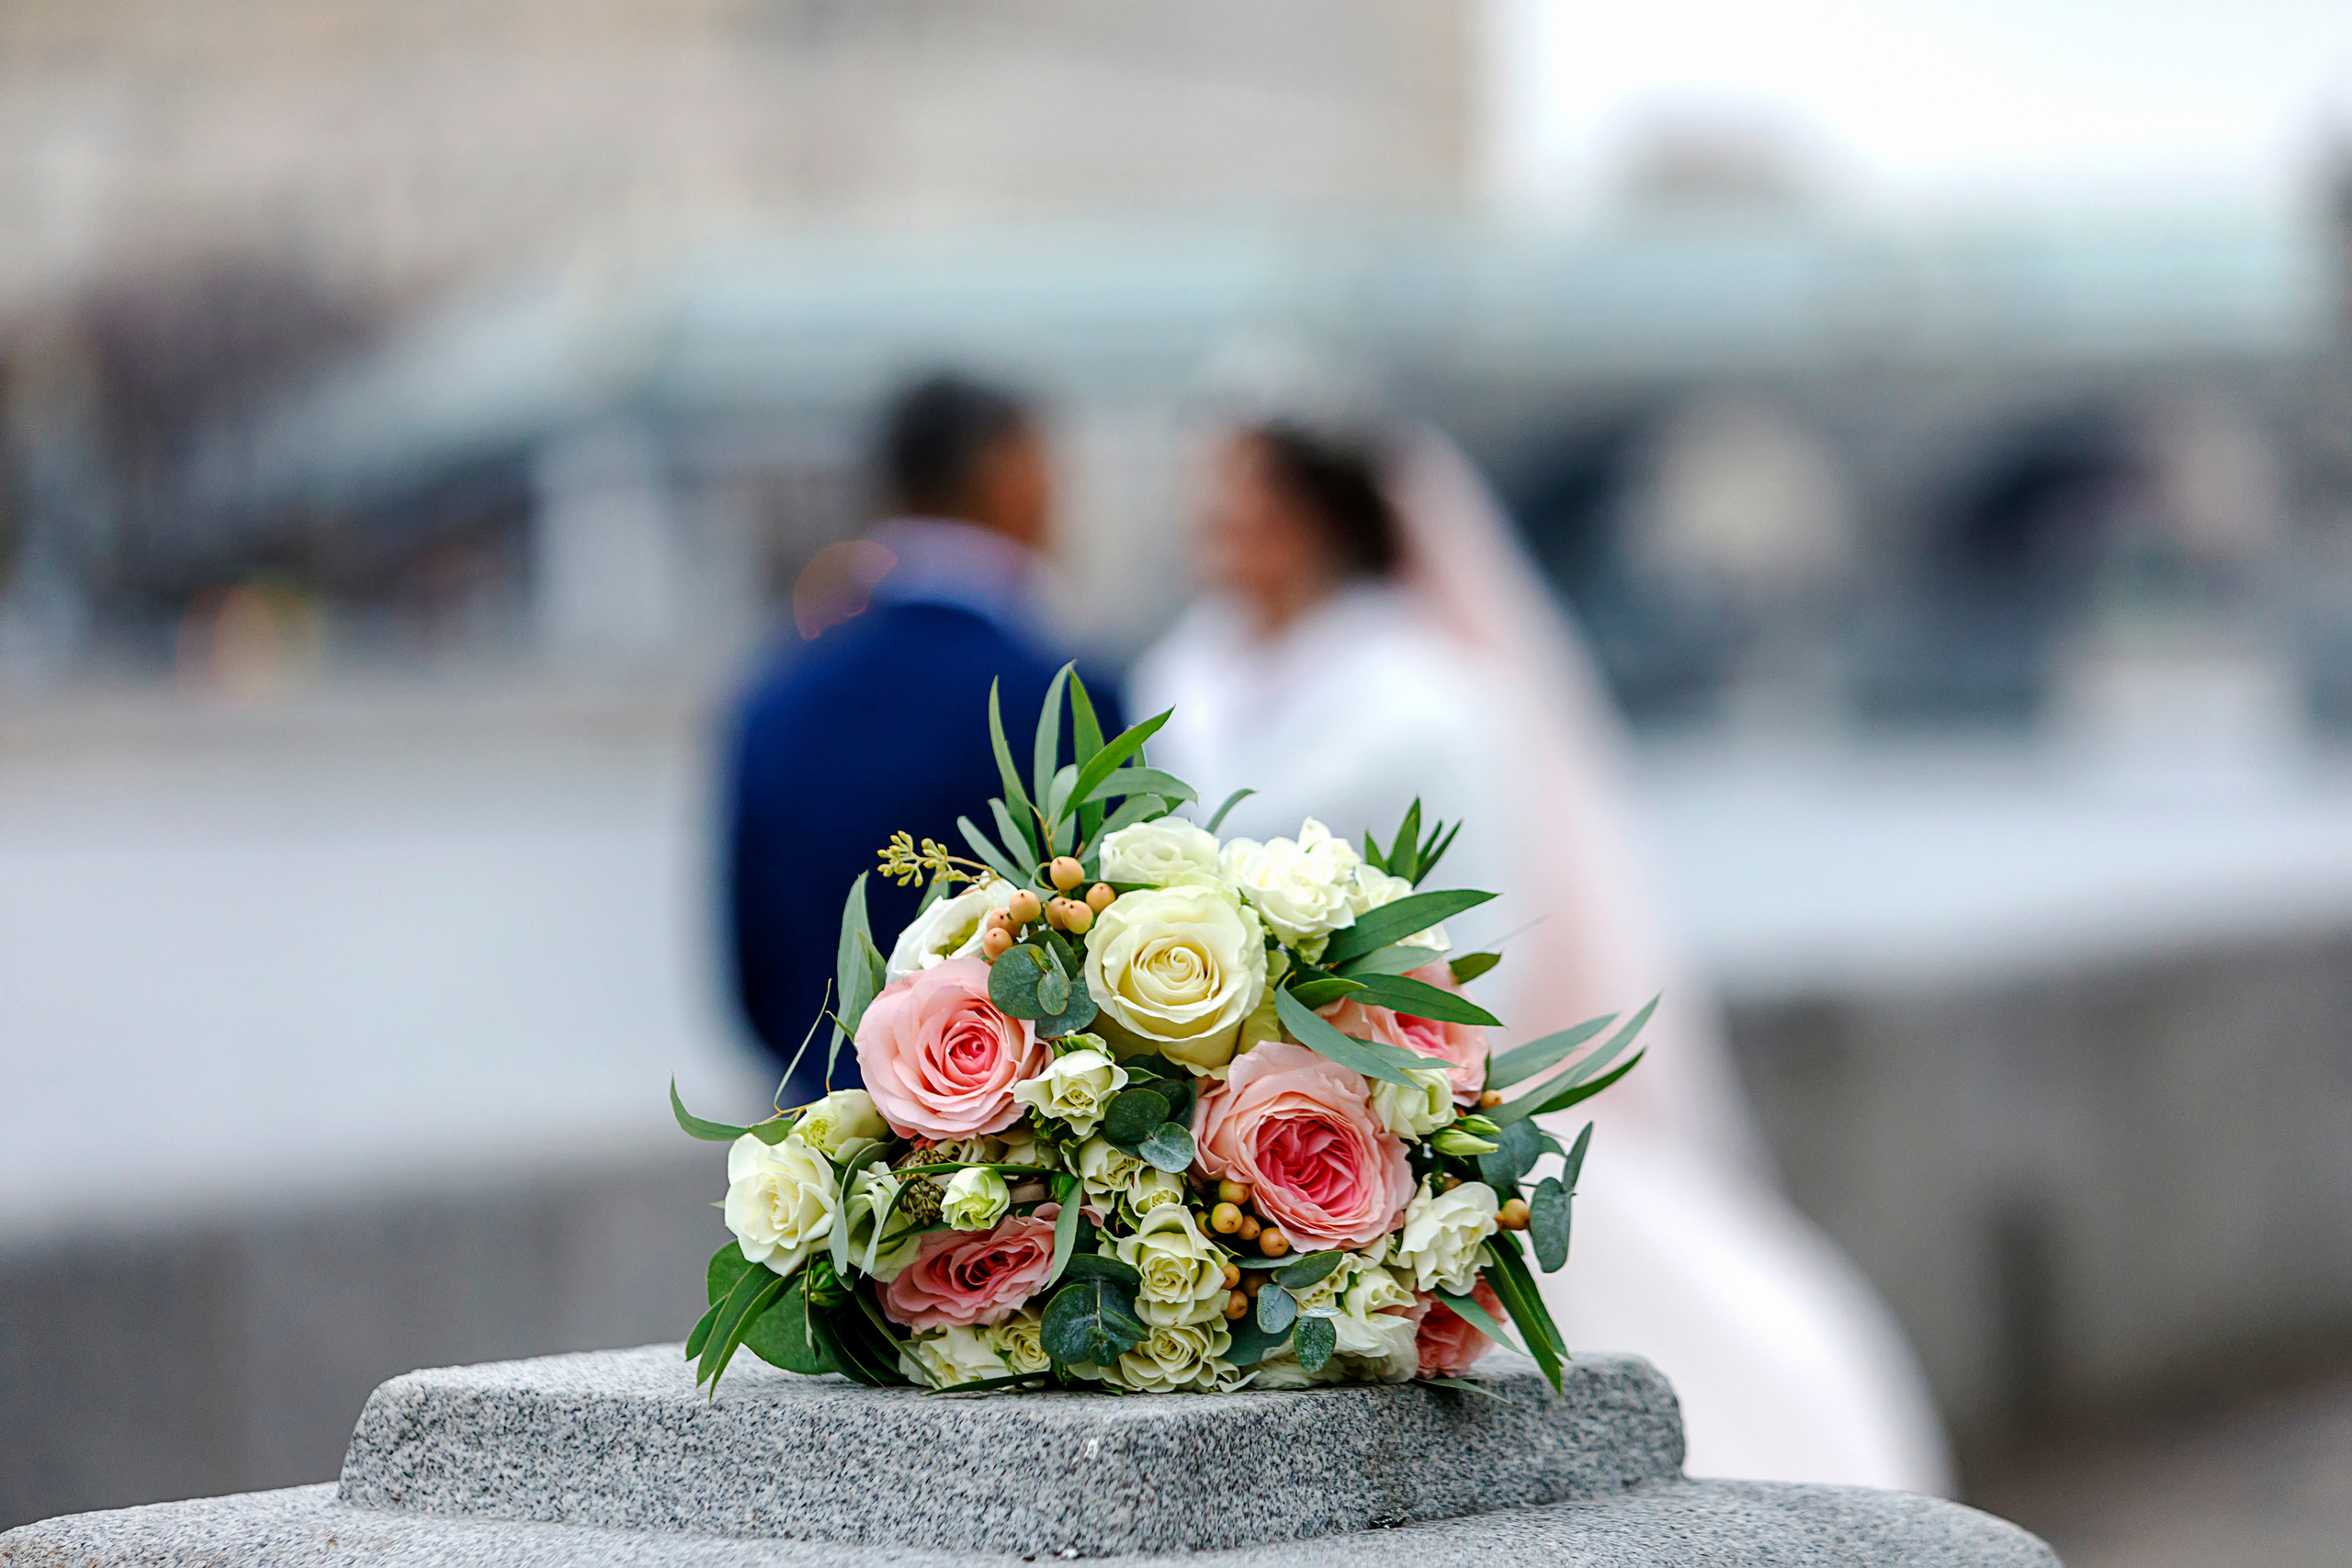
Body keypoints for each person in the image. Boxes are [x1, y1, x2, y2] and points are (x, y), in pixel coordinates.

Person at [1131, 417, 1954, 1495]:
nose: (1223, 537)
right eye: (1215, 512)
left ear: (1320, 522)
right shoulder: (1181, 672)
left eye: (1251, 510)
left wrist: (1422, 1091)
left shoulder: (1427, 697)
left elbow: (1488, 913)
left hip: (1399, 1097)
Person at [724, 373, 1118, 1108]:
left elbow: (753, 967)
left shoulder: (774, 697)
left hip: (833, 1156)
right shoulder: (1066, 693)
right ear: (1004, 473)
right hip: (1034, 1175)